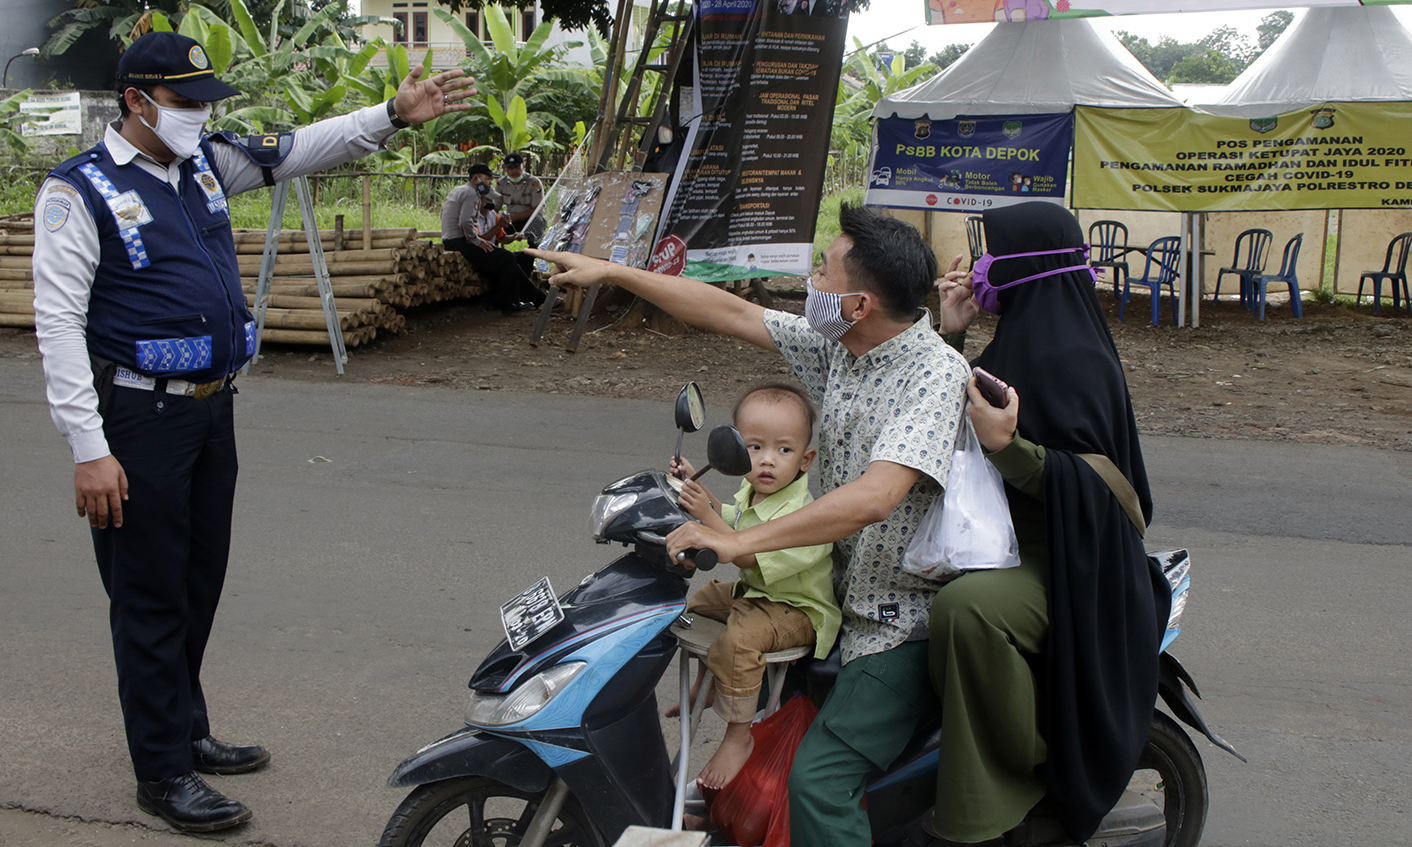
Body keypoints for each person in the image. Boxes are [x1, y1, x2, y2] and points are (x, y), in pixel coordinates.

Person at [31, 31, 475, 834]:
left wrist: (392, 114)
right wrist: (89, 449)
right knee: (149, 594)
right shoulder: (79, 190)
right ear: (136, 101)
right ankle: (161, 771)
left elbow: (301, 148)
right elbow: (57, 323)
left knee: (198, 580)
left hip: (210, 409)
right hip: (137, 417)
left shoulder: (203, 165)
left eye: (207, 102)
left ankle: (185, 727)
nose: (200, 115)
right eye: (185, 101)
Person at [529, 204, 970, 846]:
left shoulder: (933, 373)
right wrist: (612, 272)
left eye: (823, 269)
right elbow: (730, 312)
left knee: (818, 784)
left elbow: (876, 497)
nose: (811, 280)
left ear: (859, 304)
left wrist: (736, 540)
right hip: (823, 593)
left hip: (894, 622)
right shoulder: (843, 347)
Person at [927, 201, 1171, 845]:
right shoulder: (1019, 339)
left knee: (968, 612)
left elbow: (1095, 484)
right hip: (1000, 541)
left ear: (1023, 264)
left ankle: (1012, 788)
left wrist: (1009, 448)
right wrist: (950, 332)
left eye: (991, 252)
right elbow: (941, 417)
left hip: (1067, 558)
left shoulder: (1071, 356)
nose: (981, 266)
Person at [668, 383, 839, 790]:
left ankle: (737, 736)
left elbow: (742, 552)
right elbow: (730, 519)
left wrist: (705, 516)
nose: (767, 460)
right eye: (755, 447)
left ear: (806, 459)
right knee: (701, 602)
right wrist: (695, 488)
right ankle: (707, 685)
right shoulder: (756, 492)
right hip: (758, 597)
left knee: (740, 641)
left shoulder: (802, 514)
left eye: (784, 449)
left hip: (796, 611)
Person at [442, 162, 545, 313]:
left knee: (509, 258)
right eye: (487, 179)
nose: (490, 183)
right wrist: (477, 241)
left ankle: (533, 298)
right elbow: (465, 222)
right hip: (459, 242)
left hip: (454, 240)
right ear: (476, 179)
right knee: (506, 258)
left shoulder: (460, 190)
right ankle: (511, 303)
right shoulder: (471, 193)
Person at [495, 151, 544, 245]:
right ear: (506, 169)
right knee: (492, 225)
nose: (514, 171)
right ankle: (493, 252)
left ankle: (533, 253)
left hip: (529, 219)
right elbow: (496, 206)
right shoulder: (501, 184)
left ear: (523, 167)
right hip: (509, 221)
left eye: (517, 167)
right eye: (510, 168)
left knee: (538, 222)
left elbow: (537, 209)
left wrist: (515, 217)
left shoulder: (534, 183)